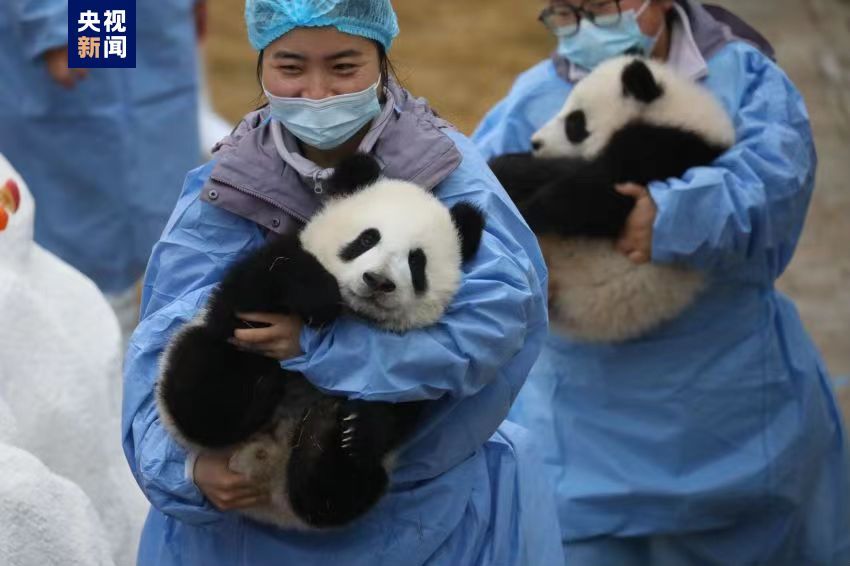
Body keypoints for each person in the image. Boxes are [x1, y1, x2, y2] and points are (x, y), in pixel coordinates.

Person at [122, 1, 564, 564]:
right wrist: (184, 469)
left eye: (343, 66)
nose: (317, 93)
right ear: (261, 64)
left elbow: (490, 331)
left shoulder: (451, 178)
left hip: (408, 522)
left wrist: (322, 347)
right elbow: (161, 342)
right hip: (235, 529)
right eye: (290, 66)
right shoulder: (227, 185)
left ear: (381, 59)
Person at [474, 1, 850, 564]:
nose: (586, 26)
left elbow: (775, 187)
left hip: (729, 427)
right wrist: (517, 274)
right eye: (566, 12)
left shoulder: (745, 80)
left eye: (602, 6)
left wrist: (671, 214)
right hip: (580, 441)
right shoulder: (534, 97)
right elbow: (477, 213)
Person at [0, 0, 205, 338]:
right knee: (97, 210)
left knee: (159, 203)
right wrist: (53, 22)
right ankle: (97, 332)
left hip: (148, 29)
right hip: (91, 15)